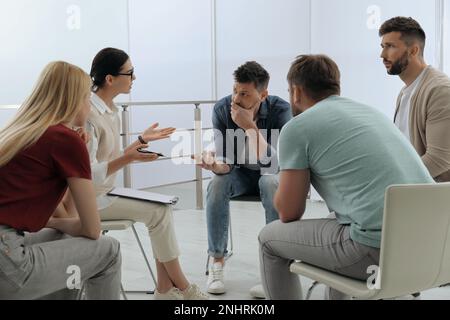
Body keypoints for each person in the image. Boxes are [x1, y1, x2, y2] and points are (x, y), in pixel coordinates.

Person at [259, 54, 434, 300]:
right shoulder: (370, 113)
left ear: (296, 92)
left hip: (378, 253)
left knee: (268, 239)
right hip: (432, 248)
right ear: (336, 87)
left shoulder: (297, 128)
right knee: (340, 222)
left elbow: (289, 213)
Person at [86, 47, 208, 300]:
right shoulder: (87, 115)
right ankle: (182, 288)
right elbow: (86, 174)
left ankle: (165, 289)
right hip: (87, 201)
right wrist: (128, 157)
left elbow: (110, 159)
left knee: (159, 209)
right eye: (130, 73)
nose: (134, 78)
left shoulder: (110, 110)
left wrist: (140, 142)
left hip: (105, 191)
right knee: (159, 211)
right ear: (110, 79)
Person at [0, 61, 122, 300]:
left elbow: (68, 216)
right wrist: (54, 223)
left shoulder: (20, 132)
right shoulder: (64, 140)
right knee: (109, 249)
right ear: (73, 100)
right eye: (86, 98)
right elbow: (92, 229)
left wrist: (57, 223)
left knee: (65, 238)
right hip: (8, 261)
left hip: (7, 247)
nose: (89, 105)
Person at [197, 61, 292, 295]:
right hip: (238, 174)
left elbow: (274, 164)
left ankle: (274, 267)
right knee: (217, 183)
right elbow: (226, 163)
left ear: (263, 94)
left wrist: (249, 126)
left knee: (269, 182)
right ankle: (217, 261)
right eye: (234, 90)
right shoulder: (222, 110)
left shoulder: (281, 111)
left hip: (269, 175)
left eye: (244, 93)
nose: (236, 99)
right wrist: (214, 165)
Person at [379, 16, 450, 182]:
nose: (382, 54)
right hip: (414, 192)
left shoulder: (440, 90)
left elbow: (440, 158)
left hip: (434, 199)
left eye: (390, 46)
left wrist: (391, 180)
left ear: (413, 50)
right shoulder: (405, 92)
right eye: (382, 46)